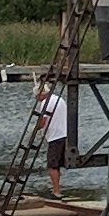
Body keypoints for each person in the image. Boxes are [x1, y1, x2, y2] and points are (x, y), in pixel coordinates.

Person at [35, 70, 70, 200]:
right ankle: (57, 189)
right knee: (57, 165)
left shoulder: (45, 103)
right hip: (64, 134)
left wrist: (35, 129)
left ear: (41, 94)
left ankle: (56, 191)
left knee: (52, 166)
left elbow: (43, 122)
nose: (37, 100)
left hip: (54, 137)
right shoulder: (59, 99)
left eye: (37, 97)